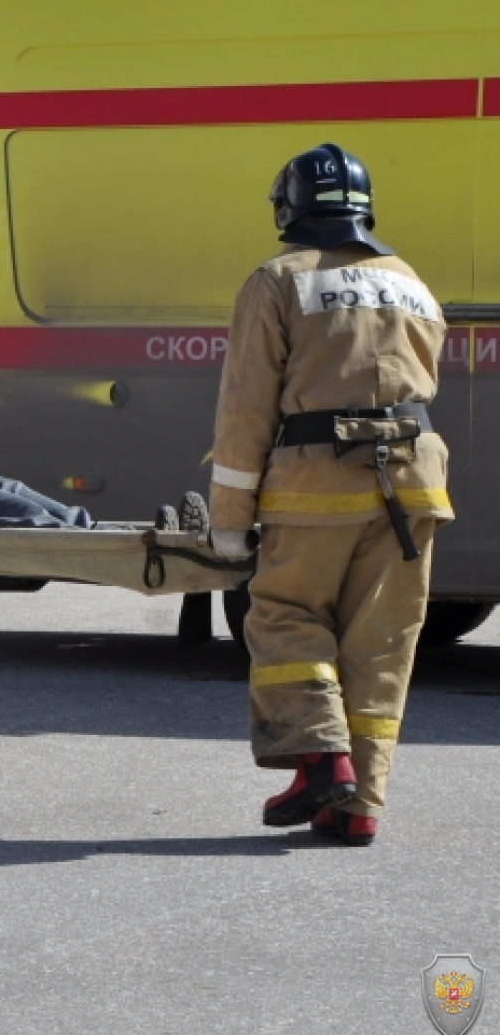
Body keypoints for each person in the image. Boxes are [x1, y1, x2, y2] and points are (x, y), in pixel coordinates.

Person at [209, 143, 453, 848]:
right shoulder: (408, 279)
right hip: (413, 484)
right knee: (381, 645)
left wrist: (231, 521)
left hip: (317, 478)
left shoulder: (276, 280)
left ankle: (324, 762)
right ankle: (358, 805)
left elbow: (246, 407)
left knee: (286, 614)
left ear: (290, 207)